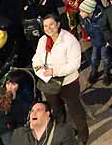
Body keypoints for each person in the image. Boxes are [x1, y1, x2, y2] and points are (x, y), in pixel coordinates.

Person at [30, 15, 89, 145]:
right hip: (49, 82)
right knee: (56, 110)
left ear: (58, 24)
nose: (48, 28)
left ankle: (83, 136)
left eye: (51, 24)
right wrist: (42, 73)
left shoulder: (69, 40)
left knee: (75, 110)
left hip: (68, 83)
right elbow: (36, 60)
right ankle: (63, 134)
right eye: (45, 26)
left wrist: (54, 71)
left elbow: (74, 64)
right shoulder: (43, 40)